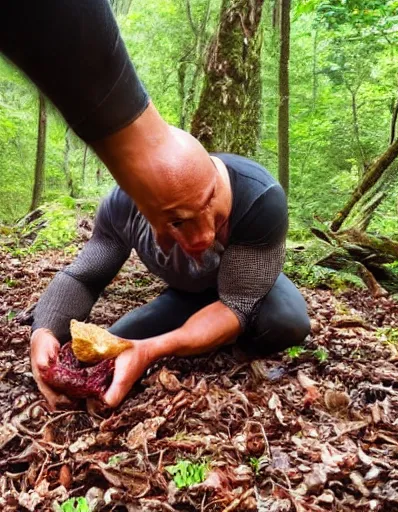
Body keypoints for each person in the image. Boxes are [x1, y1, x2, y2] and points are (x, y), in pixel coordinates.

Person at [1, 0, 310, 409]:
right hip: (187, 291)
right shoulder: (122, 207)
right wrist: (44, 332)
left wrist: (158, 348)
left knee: (284, 322)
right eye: (177, 223)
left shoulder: (260, 199)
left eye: (211, 213)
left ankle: (208, 335)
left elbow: (236, 305)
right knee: (103, 352)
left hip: (241, 283)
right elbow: (83, 278)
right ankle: (191, 319)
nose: (200, 238)